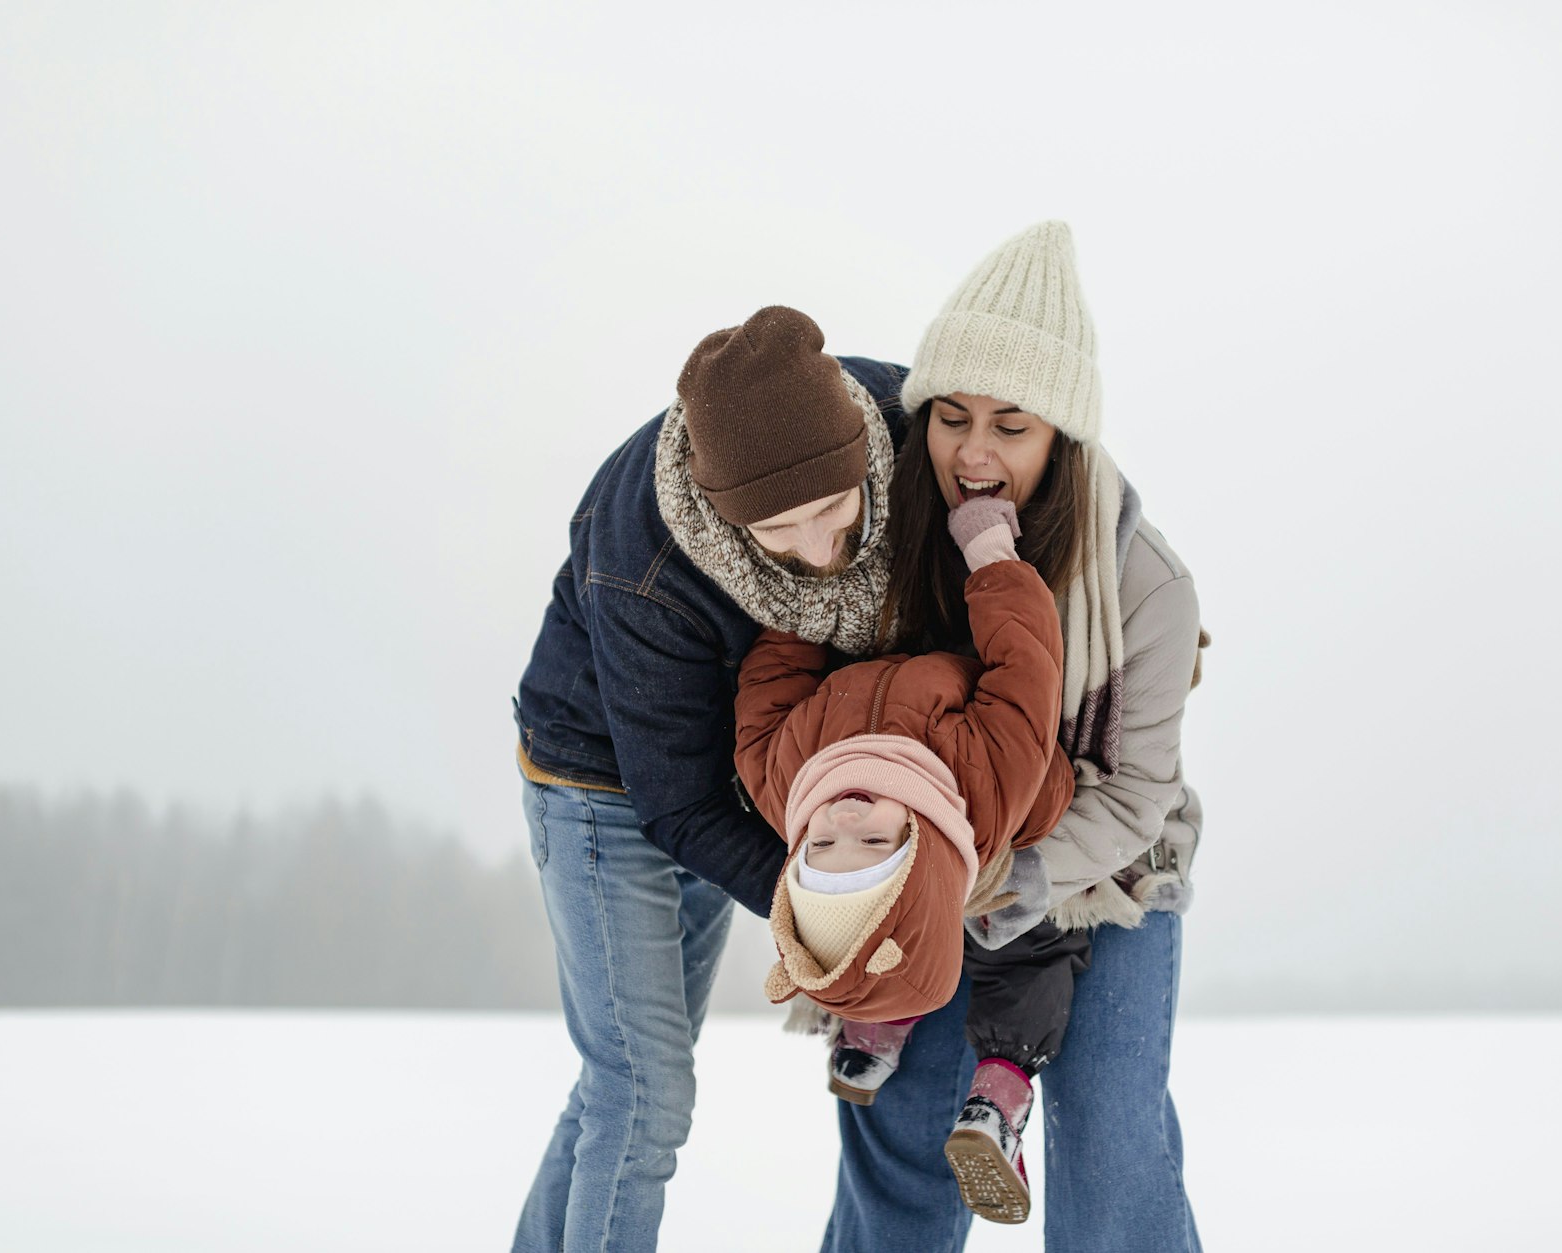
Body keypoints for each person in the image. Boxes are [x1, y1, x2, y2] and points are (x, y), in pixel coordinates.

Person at [821, 221, 1208, 1251]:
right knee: (898, 1124)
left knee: (1109, 1145)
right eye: (949, 417)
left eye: (1010, 424)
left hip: (1104, 864)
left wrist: (1011, 868)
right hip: (924, 855)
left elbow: (1133, 798)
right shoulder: (887, 540)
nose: (973, 451)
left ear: (1062, 435)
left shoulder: (1145, 584)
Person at [510, 305, 909, 1253]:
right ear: (724, 509)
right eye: (781, 528)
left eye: (835, 508)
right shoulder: (643, 561)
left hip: (728, 775)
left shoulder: (897, 414)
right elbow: (675, 802)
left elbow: (1030, 440)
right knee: (643, 1094)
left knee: (624, 1085)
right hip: (603, 786)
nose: (821, 551)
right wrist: (824, 910)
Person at [732, 493, 1084, 1224]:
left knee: (904, 940)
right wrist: (989, 556)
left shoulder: (786, 779)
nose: (841, 818)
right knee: (1033, 946)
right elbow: (1028, 668)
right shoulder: (988, 780)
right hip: (970, 844)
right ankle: (998, 1086)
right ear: (915, 846)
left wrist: (810, 584)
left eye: (821, 847)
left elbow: (768, 687)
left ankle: (875, 1020)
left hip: (930, 871)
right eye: (872, 843)